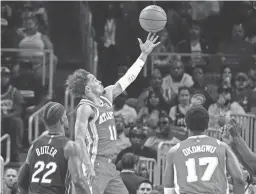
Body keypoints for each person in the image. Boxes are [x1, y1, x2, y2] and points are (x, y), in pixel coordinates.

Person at [65, 33, 160, 194]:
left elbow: (128, 78)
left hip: (110, 164)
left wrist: (143, 55)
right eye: (94, 80)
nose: (99, 81)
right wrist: (87, 165)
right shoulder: (85, 108)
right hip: (95, 162)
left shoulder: (108, 94)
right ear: (88, 89)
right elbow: (79, 138)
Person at [163, 105, 245, 194]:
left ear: (186, 124)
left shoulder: (174, 151)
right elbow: (239, 179)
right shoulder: (222, 147)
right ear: (208, 123)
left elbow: (168, 188)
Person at [17, 102, 91, 194]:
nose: (67, 118)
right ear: (61, 120)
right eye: (65, 115)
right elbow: (78, 181)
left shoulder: (34, 146)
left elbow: (21, 182)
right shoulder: (70, 147)